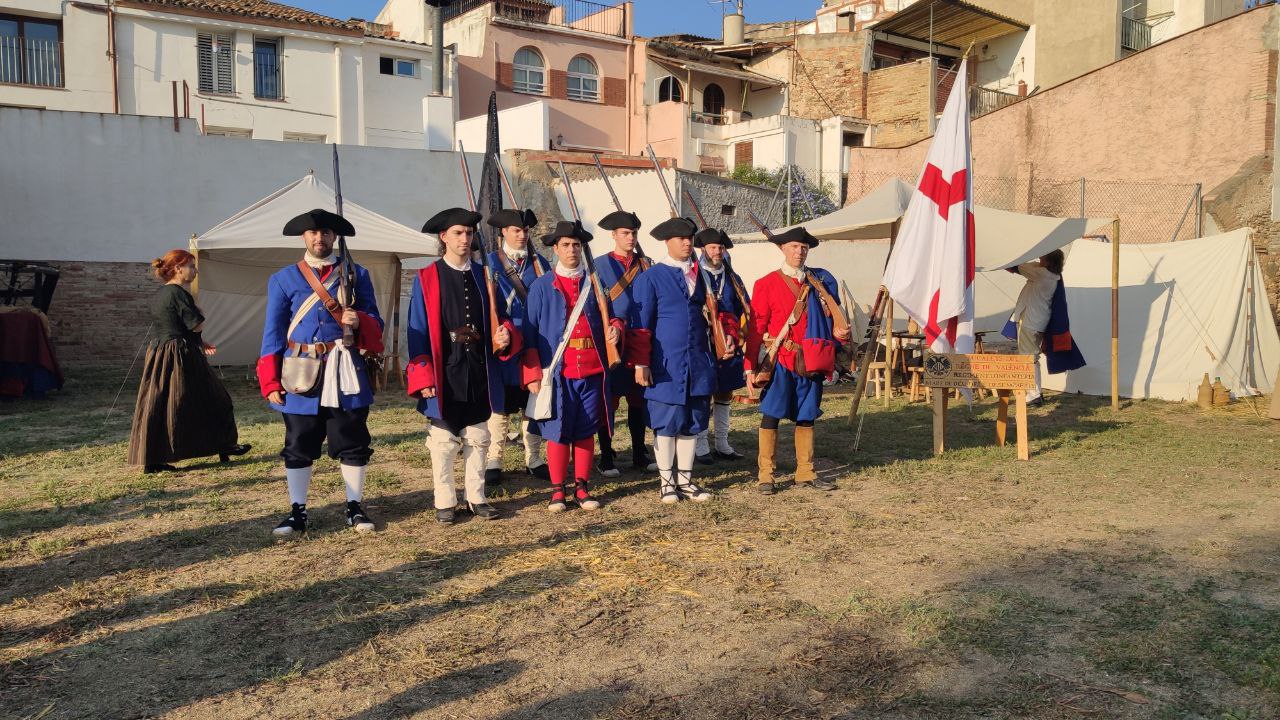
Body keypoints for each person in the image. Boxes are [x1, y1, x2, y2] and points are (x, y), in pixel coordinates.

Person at [257, 209, 384, 536]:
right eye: (313, 233)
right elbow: (273, 332)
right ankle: (297, 511)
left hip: (345, 369)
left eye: (326, 232)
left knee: (353, 439)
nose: (319, 238)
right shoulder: (284, 278)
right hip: (301, 369)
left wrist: (361, 321)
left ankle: (354, 507)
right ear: (304, 237)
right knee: (299, 441)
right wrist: (270, 379)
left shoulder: (357, 273)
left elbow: (376, 324)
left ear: (334, 236)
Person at [407, 207, 521, 525]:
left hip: (479, 365)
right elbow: (415, 329)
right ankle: (444, 500)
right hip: (444, 367)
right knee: (443, 441)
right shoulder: (427, 277)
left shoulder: (484, 275)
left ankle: (476, 497)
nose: (465, 239)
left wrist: (504, 334)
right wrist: (423, 376)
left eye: (469, 233)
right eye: (458, 233)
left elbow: (504, 319)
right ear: (443, 237)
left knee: (478, 435)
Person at [629, 217, 738, 504]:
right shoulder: (651, 277)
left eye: (690, 238)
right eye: (682, 239)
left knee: (692, 421)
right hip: (664, 363)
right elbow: (640, 325)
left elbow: (721, 312)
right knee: (667, 422)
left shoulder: (701, 275)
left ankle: (686, 481)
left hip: (698, 360)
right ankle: (667, 483)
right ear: (668, 242)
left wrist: (727, 335)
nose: (688, 243)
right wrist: (641, 363)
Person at [520, 220, 623, 512]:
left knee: (585, 431)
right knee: (557, 432)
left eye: (576, 245)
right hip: (557, 371)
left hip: (592, 368)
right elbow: (529, 334)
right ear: (555, 248)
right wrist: (532, 373)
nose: (572, 250)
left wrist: (616, 327)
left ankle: (582, 487)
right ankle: (556, 490)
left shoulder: (595, 283)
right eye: (565, 245)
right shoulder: (541, 286)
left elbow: (613, 317)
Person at [744, 226, 850, 495]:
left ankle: (805, 471)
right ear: (782, 248)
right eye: (793, 246)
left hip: (812, 360)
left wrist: (840, 335)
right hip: (780, 360)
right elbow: (756, 328)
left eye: (803, 248)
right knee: (771, 415)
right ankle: (766, 475)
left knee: (807, 416)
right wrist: (749, 367)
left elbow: (833, 320)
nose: (799, 251)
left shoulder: (820, 283)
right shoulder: (766, 283)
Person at [128, 249, 249, 474]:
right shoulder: (178, 293)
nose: (195, 271)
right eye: (191, 266)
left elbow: (173, 324)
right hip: (179, 354)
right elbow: (194, 324)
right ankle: (225, 445)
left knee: (161, 404)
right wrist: (198, 321)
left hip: (160, 352)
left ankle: (154, 459)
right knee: (216, 398)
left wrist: (202, 343)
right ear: (178, 268)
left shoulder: (160, 294)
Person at [483, 208, 551, 484]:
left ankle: (533, 458)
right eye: (516, 231)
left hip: (534, 341)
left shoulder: (541, 265)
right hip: (503, 343)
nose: (521, 235)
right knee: (500, 404)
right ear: (503, 233)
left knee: (532, 402)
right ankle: (494, 459)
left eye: (524, 231)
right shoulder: (488, 264)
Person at [593, 209, 657, 476]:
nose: (630, 237)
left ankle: (639, 451)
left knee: (638, 400)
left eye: (633, 233)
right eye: (625, 233)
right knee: (608, 399)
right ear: (614, 235)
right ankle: (606, 455)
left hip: (639, 339)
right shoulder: (598, 264)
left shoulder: (646, 264)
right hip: (611, 340)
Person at [692, 228, 749, 464]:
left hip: (728, 341)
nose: (717, 251)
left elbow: (743, 309)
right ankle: (701, 442)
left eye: (720, 247)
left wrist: (734, 334)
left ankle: (722, 442)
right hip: (702, 341)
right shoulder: (694, 275)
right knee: (704, 392)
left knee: (725, 391)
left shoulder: (733, 278)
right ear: (703, 249)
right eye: (713, 247)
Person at [1007, 249, 1067, 406]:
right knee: (1031, 357)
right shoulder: (1052, 275)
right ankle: (1035, 392)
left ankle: (1033, 394)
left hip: (1029, 321)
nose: (1040, 257)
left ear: (1047, 261)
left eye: (1043, 256)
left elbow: (1015, 267)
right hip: (1037, 321)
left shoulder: (1041, 274)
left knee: (1027, 358)